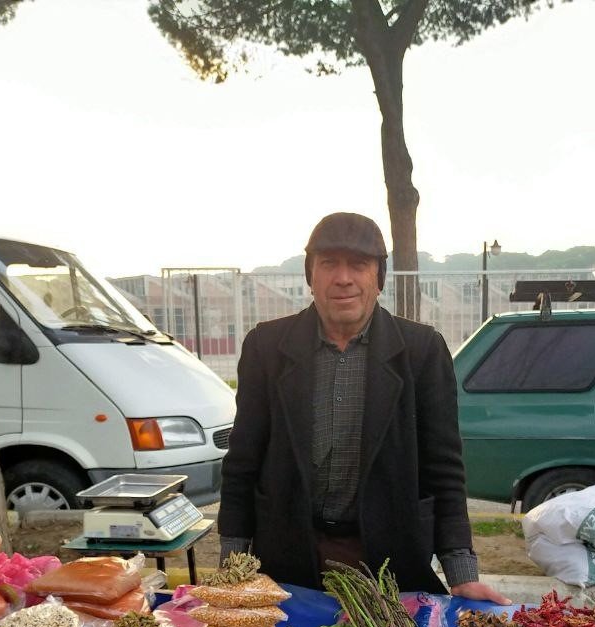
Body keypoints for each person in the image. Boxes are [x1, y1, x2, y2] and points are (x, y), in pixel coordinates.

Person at [217, 211, 510, 604]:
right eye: (329, 264)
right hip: (287, 554)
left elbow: (444, 468)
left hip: (391, 556)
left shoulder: (421, 351)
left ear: (378, 277)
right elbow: (242, 462)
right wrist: (231, 567)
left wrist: (461, 572)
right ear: (311, 275)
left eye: (358, 265)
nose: (343, 278)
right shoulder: (267, 347)